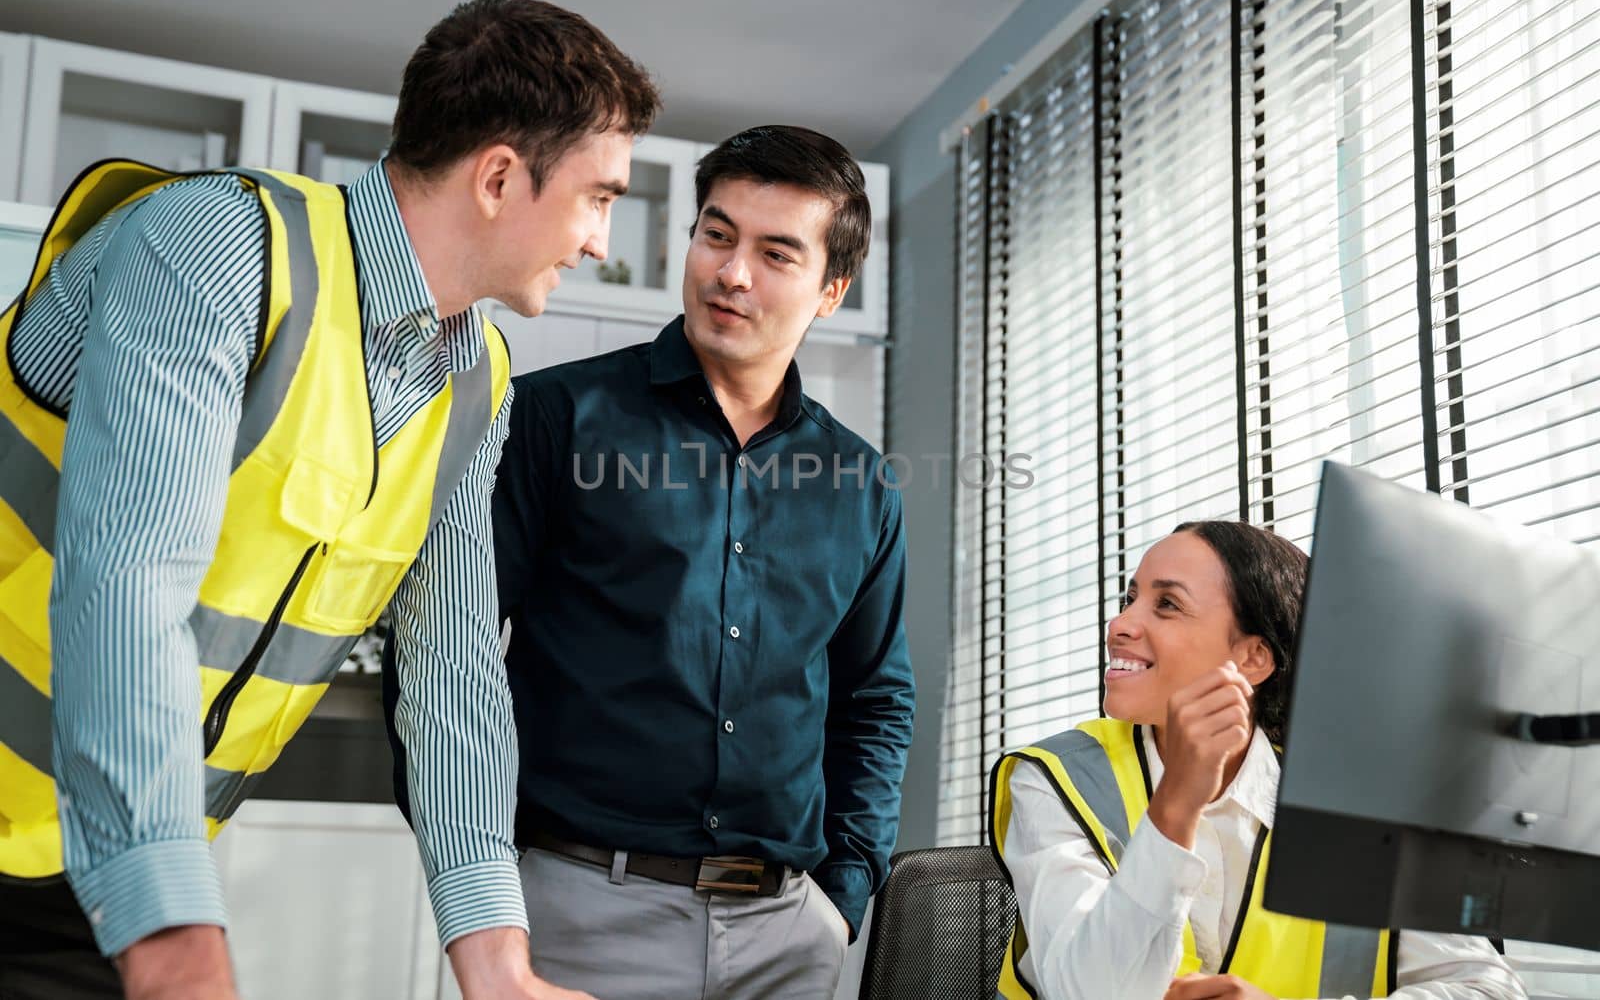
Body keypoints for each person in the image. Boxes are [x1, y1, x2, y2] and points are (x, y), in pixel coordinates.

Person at [0, 0, 658, 1000]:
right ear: (497, 176)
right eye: (598, 196)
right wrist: (175, 935)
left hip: (81, 868)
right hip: (122, 867)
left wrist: (498, 961)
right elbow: (128, 582)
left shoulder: (473, 382)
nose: (600, 240)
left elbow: (454, 671)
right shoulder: (217, 247)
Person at [422, 123, 916, 998]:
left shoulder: (862, 486)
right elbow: (442, 654)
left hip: (788, 937)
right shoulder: (548, 419)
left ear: (831, 289)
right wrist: (487, 896)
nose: (732, 272)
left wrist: (844, 892)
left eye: (775, 253)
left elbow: (876, 700)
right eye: (717, 234)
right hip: (577, 914)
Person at [989, 521, 1527, 1000]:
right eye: (1130, 599)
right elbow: (1088, 992)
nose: (1120, 625)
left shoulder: (1354, 812)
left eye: (1167, 604)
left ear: (1252, 658)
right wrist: (1177, 802)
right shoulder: (1057, 778)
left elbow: (1489, 986)